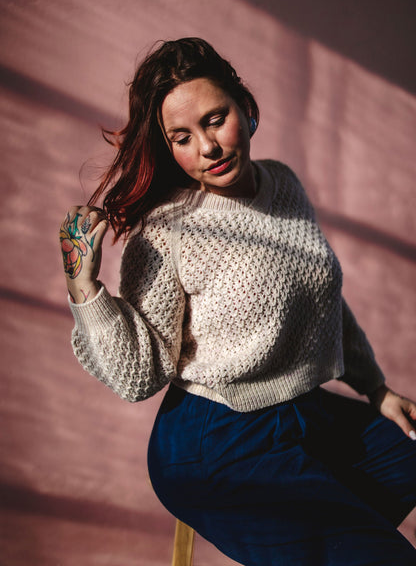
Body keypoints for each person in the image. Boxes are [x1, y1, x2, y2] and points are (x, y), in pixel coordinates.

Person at [59, 37, 416, 565]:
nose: (206, 147)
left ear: (246, 111)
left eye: (215, 119)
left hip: (303, 411)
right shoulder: (168, 232)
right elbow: (141, 374)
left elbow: (322, 304)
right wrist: (84, 290)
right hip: (216, 440)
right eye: (181, 137)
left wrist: (376, 389)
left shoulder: (284, 183)